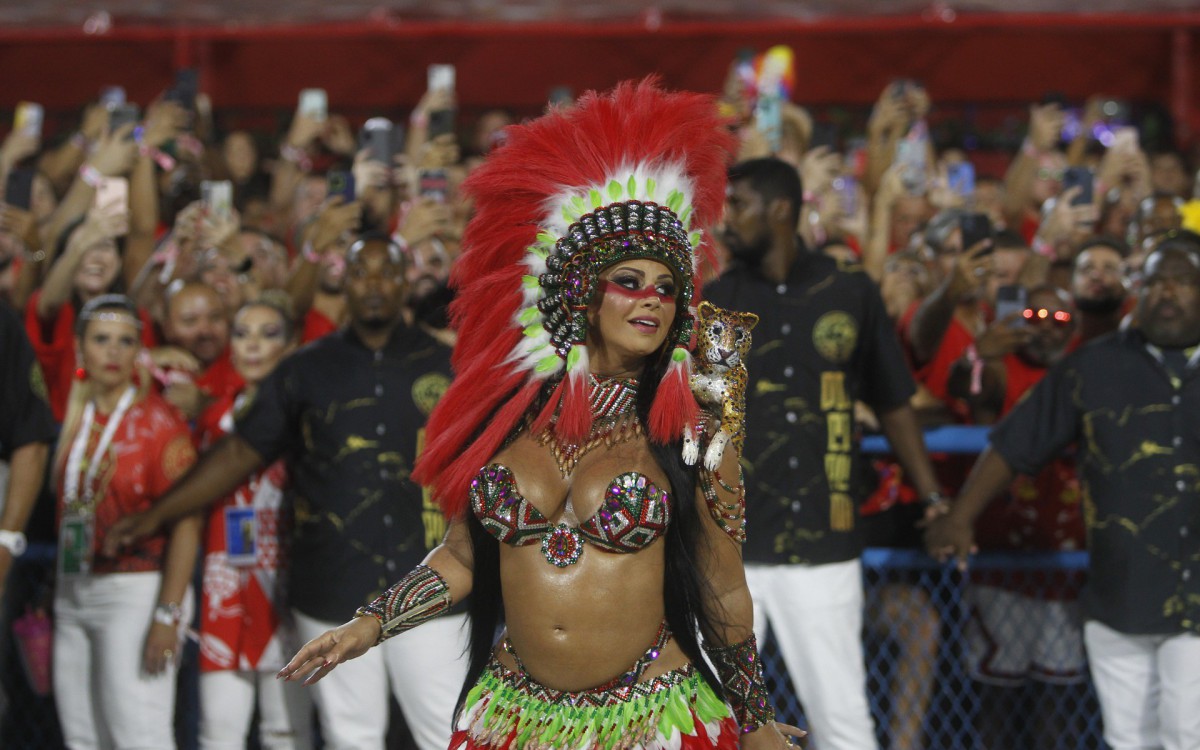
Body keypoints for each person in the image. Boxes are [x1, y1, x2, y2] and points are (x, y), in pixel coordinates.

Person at [278, 81, 802, 749]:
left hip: (648, 720)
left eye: (669, 288)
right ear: (584, 294)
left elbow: (724, 590)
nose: (654, 301)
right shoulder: (511, 411)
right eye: (631, 282)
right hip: (516, 719)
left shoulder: (693, 426)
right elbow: (463, 557)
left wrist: (753, 723)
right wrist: (369, 624)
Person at [105, 237, 466, 750]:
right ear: (344, 281)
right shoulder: (305, 369)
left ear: (405, 279)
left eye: (386, 272)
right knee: (350, 737)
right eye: (361, 272)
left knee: (445, 733)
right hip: (333, 587)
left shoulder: (447, 364)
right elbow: (238, 454)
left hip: (430, 583)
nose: (374, 284)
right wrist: (153, 516)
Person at [926, 233, 1200, 750]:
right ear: (1138, 290)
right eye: (1157, 280)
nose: (1168, 293)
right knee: (1127, 738)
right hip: (1121, 593)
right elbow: (1016, 442)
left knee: (1186, 731)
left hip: (1197, 599)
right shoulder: (1093, 366)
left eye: (1183, 281)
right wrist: (960, 516)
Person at [706, 156, 943, 750]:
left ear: (781, 209)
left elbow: (894, 401)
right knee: (710, 723)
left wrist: (937, 498)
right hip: (733, 547)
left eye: (738, 205)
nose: (724, 219)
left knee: (841, 721)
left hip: (826, 542)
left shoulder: (850, 289)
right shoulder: (714, 300)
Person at [51, 294, 201, 750]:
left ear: (139, 351)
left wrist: (167, 615)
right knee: (81, 736)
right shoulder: (73, 417)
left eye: (124, 342)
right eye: (101, 340)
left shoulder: (160, 422)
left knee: (139, 736)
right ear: (80, 348)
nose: (112, 353)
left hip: (137, 592)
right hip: (72, 589)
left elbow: (187, 522)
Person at [193, 293, 312, 750]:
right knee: (218, 734)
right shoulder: (209, 419)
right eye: (242, 335)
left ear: (291, 344)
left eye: (269, 334)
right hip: (223, 594)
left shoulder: (306, 417)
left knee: (286, 733)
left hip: (285, 591)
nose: (253, 346)